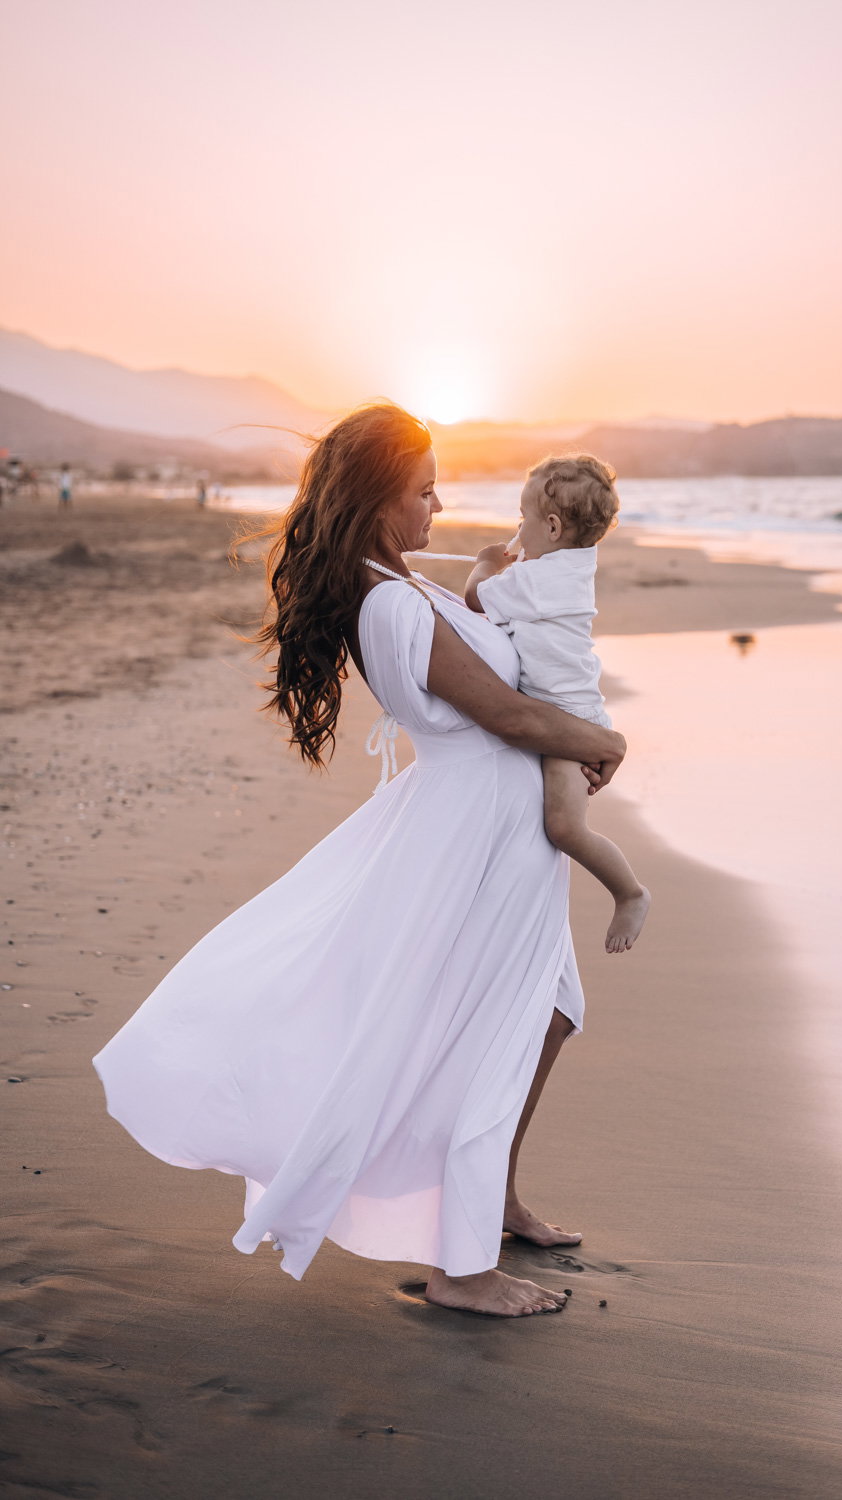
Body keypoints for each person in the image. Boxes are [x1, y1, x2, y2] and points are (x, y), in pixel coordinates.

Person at [92, 401, 626, 1318]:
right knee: (492, 1030)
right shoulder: (388, 604)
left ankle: (492, 1198)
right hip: (477, 836)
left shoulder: (403, 587)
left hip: (498, 828)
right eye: (424, 491)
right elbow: (507, 715)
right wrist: (605, 742)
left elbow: (498, 678)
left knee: (548, 1010)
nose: (438, 507)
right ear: (379, 500)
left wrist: (486, 591)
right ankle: (462, 1271)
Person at [464, 456, 650, 954]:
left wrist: (486, 562)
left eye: (521, 519)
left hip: (568, 724)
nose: (517, 530)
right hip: (566, 712)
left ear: (551, 527)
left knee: (564, 828)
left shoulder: (537, 580)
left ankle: (629, 892)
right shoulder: (569, 567)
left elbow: (475, 598)